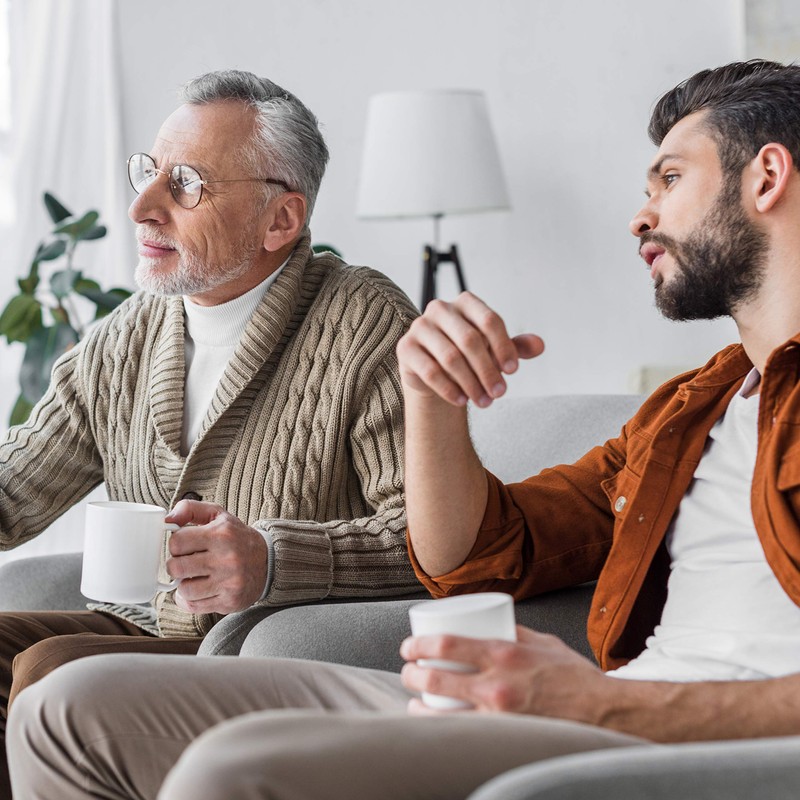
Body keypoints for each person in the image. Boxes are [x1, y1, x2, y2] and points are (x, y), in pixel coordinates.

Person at [9, 59, 800, 800]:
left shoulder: (352, 319)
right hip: (603, 704)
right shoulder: (688, 410)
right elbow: (486, 554)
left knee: (226, 760)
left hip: (669, 732)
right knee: (70, 701)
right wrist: (430, 395)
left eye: (670, 176)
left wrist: (607, 705)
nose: (640, 214)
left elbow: (425, 560)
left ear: (766, 176)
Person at [0, 70, 422, 795]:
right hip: (148, 634)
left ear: (280, 220)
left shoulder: (366, 322)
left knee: (49, 672)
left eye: (186, 184)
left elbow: (432, 539)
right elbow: (16, 489)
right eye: (149, 173)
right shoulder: (125, 336)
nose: (142, 206)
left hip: (274, 651)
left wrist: (269, 559)